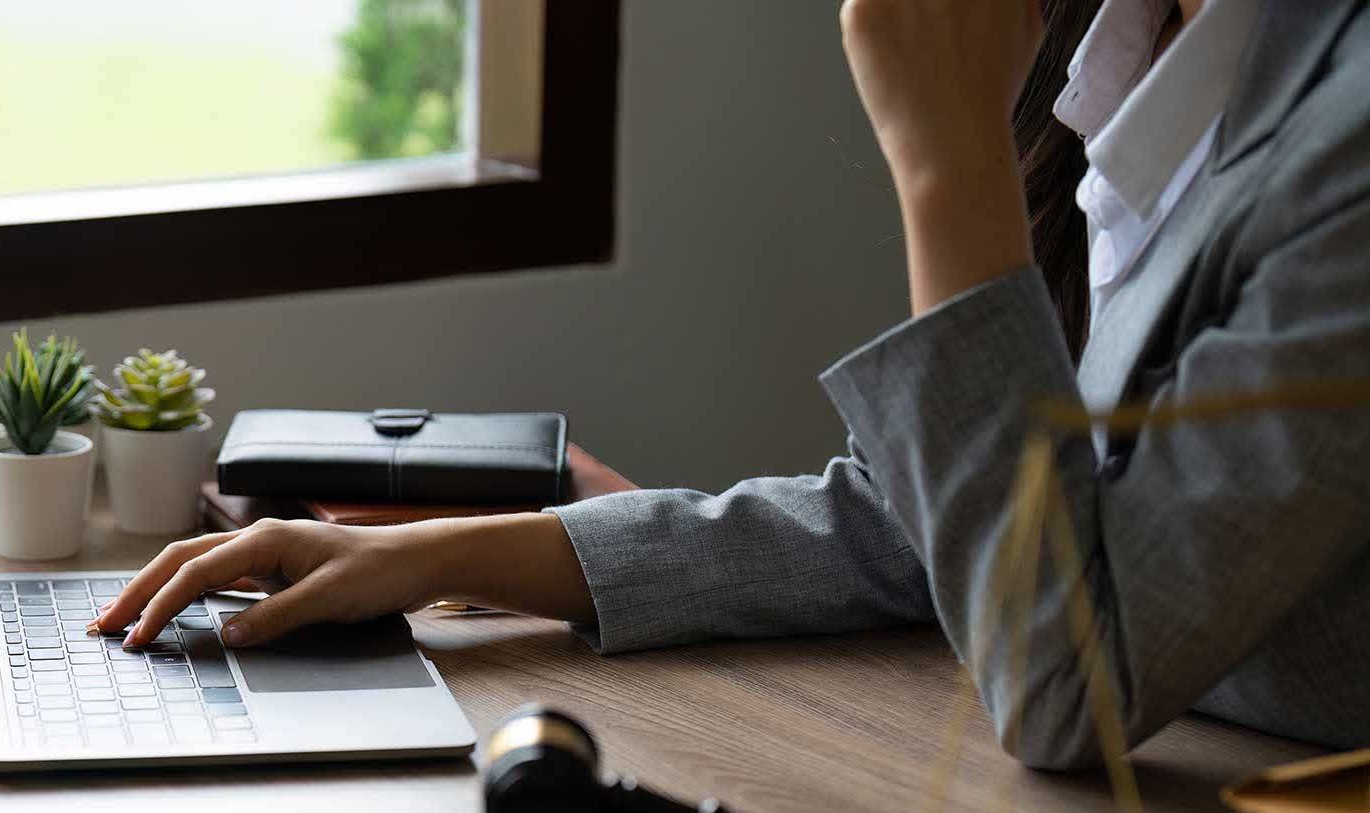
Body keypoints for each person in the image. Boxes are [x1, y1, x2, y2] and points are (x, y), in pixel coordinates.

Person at [98, 0, 1370, 771]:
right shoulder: (1141, 44)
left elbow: (1061, 672)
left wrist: (946, 165)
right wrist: (442, 555)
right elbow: (936, 522)